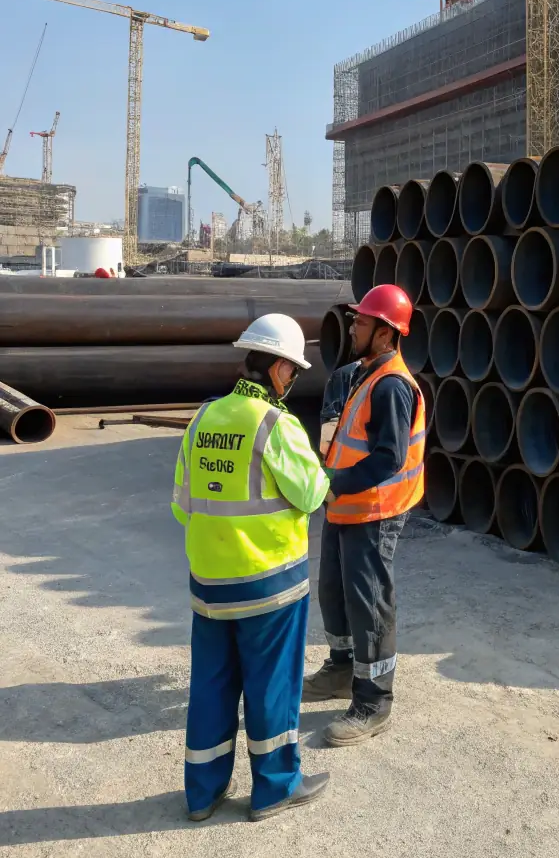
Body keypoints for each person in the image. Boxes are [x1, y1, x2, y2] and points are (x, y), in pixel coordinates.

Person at [171, 312, 331, 823]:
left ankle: (202, 792)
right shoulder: (276, 425)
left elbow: (181, 504)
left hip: (210, 585)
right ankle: (276, 786)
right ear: (280, 369)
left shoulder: (202, 418)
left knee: (212, 687)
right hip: (269, 586)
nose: (293, 381)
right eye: (295, 372)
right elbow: (310, 493)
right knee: (271, 687)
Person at [302, 283, 424, 747]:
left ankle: (373, 699)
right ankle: (339, 667)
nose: (353, 326)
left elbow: (388, 459)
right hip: (344, 507)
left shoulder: (392, 386)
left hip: (374, 510)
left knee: (369, 601)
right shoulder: (363, 373)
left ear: (386, 333)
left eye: (362, 321)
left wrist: (334, 483)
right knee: (334, 590)